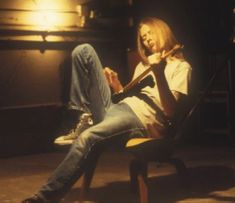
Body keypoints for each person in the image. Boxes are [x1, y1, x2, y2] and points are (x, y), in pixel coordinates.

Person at [22, 17, 192, 203]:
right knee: (83, 51)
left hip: (139, 119)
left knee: (87, 138)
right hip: (119, 108)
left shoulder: (181, 67)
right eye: (143, 37)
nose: (147, 39)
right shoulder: (143, 65)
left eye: (150, 33)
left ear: (162, 31)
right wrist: (118, 87)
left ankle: (43, 198)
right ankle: (81, 115)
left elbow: (170, 111)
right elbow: (129, 98)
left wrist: (159, 72)